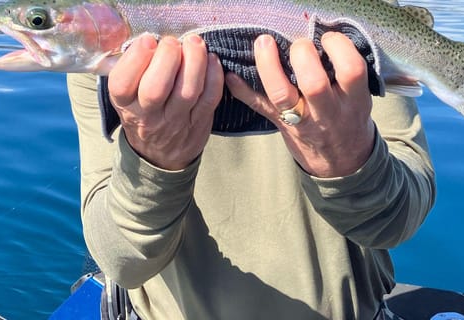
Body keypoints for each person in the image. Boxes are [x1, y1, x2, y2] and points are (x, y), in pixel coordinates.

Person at [67, 19, 436, 320]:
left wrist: (348, 157)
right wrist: (153, 163)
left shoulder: (357, 18)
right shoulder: (108, 36)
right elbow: (121, 260)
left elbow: (397, 220)